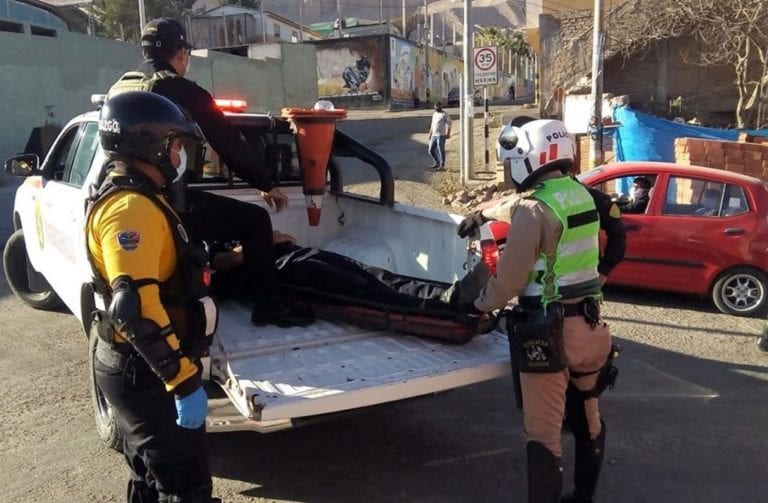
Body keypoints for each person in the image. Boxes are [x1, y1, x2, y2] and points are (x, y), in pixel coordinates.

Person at [108, 17, 311, 327]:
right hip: (165, 201)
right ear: (182, 54)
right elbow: (225, 139)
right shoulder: (177, 88)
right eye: (186, 53)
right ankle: (268, 307)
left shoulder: (122, 85)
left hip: (119, 193)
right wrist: (265, 183)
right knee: (256, 220)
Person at [458, 119, 616, 503]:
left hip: (549, 332)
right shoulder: (580, 196)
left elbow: (509, 282)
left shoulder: (533, 209)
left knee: (543, 434)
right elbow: (537, 209)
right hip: (591, 326)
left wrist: (478, 305)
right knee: (588, 418)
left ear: (528, 159)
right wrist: (486, 212)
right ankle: (583, 497)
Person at [86, 91, 217, 502]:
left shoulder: (140, 197)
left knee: (149, 478)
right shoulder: (130, 209)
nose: (180, 155)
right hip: (143, 371)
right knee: (185, 486)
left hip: (137, 366)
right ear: (152, 145)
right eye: (176, 144)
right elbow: (135, 308)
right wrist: (181, 381)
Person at [428, 102, 452, 170]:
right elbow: (432, 124)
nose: (436, 108)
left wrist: (448, 133)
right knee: (431, 150)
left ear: (440, 107)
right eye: (435, 107)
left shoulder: (444, 114)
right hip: (434, 135)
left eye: (437, 107)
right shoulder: (434, 114)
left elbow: (449, 123)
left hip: (441, 135)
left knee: (441, 150)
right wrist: (430, 133)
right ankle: (437, 162)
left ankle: (442, 165)